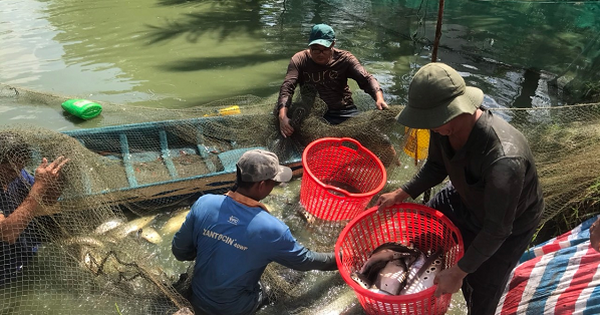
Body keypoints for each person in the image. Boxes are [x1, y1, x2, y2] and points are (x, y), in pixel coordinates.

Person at [376, 62, 544, 315]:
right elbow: (435, 166)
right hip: (464, 197)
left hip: (507, 226)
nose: (429, 127)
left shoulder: (504, 160)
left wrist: (459, 271)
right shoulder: (442, 128)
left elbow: (497, 229)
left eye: (431, 121)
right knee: (421, 236)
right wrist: (402, 192)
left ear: (453, 112)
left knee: (481, 285)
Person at [171, 149, 337, 315]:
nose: (275, 185)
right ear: (262, 185)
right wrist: (338, 258)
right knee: (293, 274)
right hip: (234, 309)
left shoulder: (204, 203)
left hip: (197, 298)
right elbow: (306, 261)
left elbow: (179, 252)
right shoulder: (273, 229)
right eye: (274, 182)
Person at [276, 23, 388, 137]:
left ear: (333, 44)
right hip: (312, 113)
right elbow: (287, 87)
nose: (320, 54)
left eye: (325, 49)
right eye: (315, 50)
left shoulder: (345, 58)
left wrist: (379, 98)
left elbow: (367, 78)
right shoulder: (299, 60)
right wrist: (282, 116)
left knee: (379, 137)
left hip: (344, 111)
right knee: (288, 134)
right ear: (309, 46)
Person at [0, 131, 69, 286]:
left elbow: (47, 201)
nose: (16, 174)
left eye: (20, 168)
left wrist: (55, 181)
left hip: (25, 256)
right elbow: (7, 234)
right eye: (11, 170)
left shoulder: (18, 174)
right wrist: (39, 186)